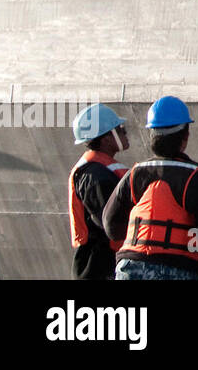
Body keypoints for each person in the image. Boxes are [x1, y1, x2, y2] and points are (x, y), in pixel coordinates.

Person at [104, 96, 198, 280]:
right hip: (179, 269)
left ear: (151, 135)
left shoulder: (134, 174)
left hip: (130, 267)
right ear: (185, 136)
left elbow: (111, 226)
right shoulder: (196, 178)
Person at [68, 104, 130, 280]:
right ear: (106, 139)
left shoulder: (99, 171)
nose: (125, 133)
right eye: (120, 129)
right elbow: (110, 223)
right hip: (98, 267)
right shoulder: (95, 176)